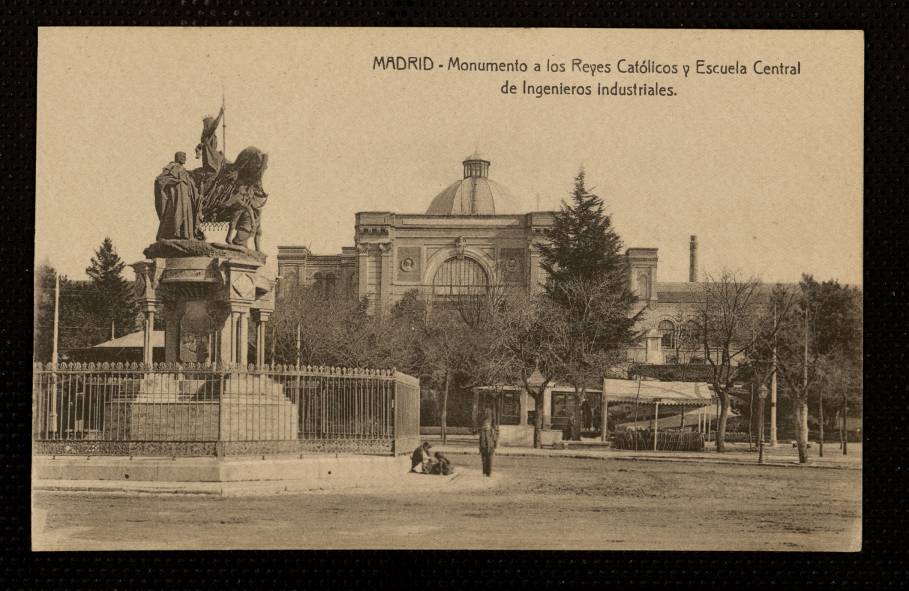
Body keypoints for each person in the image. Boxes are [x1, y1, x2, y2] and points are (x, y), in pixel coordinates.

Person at [154, 151, 201, 241]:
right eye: (182, 156)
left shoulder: (185, 170)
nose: (185, 158)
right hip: (176, 196)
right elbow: (160, 179)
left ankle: (186, 235)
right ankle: (174, 234)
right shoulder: (171, 167)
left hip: (187, 196)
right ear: (177, 157)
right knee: (176, 213)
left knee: (187, 214)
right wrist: (173, 181)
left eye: (185, 156)